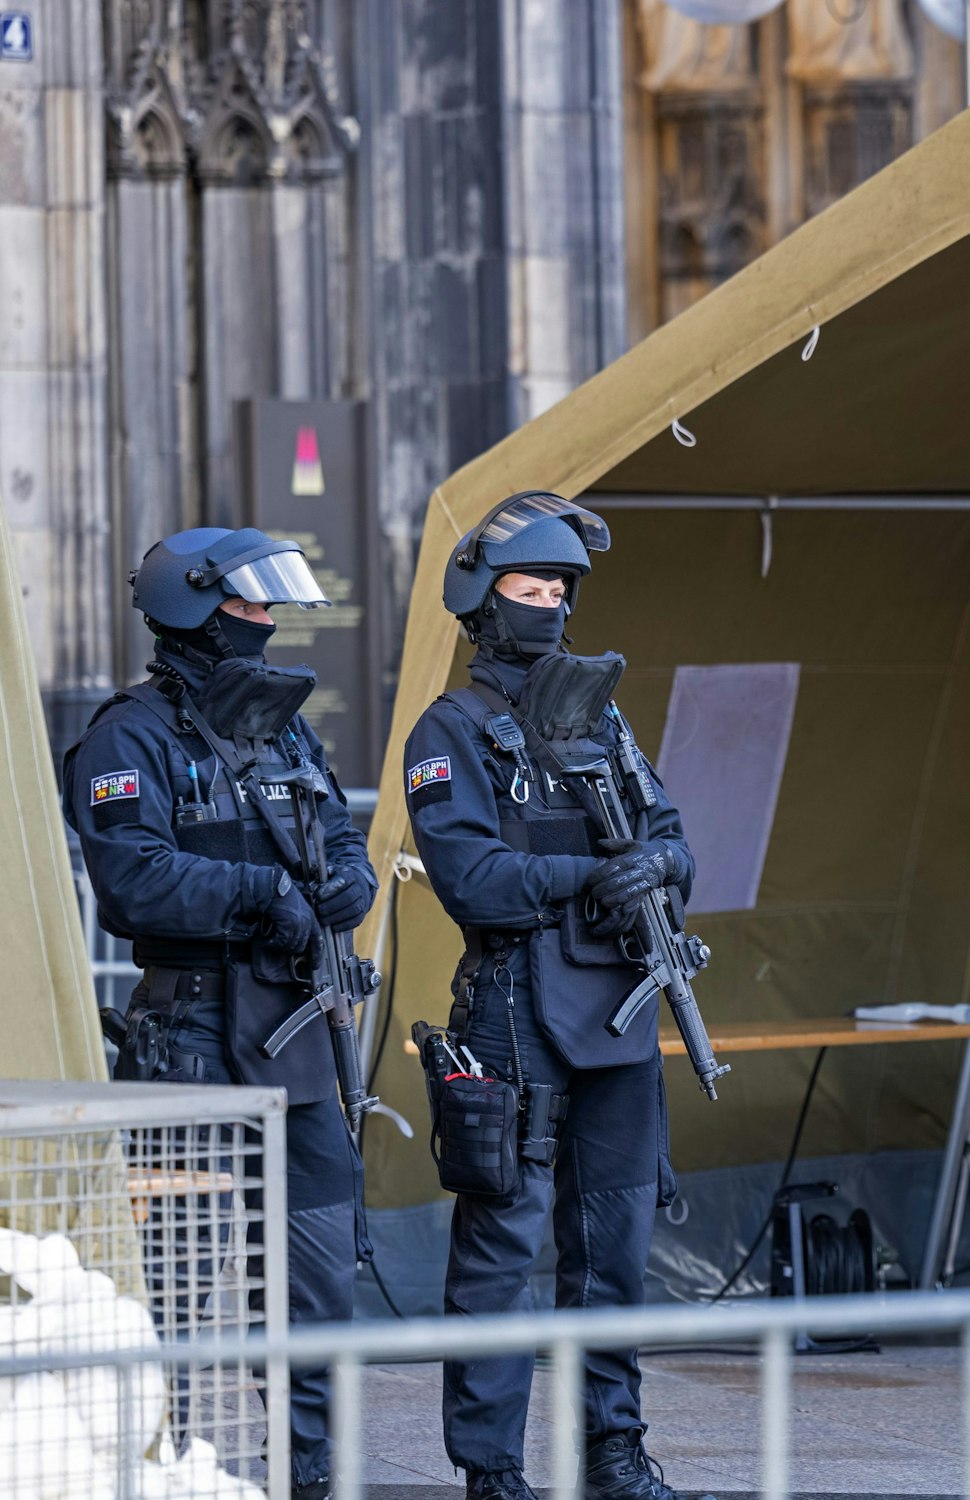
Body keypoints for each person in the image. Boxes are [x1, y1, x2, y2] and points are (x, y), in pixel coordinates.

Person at [62, 527, 378, 1499]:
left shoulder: (279, 727)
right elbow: (132, 882)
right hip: (188, 1043)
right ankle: (166, 1472)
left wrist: (343, 892)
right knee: (172, 1291)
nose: (266, 622)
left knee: (319, 1281)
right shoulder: (128, 734)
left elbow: (342, 845)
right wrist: (261, 896)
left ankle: (311, 1476)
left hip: (291, 1038)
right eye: (248, 606)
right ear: (195, 607)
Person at [404, 492, 704, 1500]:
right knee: (501, 1252)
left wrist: (655, 871)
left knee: (612, 1249)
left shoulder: (601, 721)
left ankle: (612, 1453)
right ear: (482, 599)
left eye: (559, 588)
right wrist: (591, 878)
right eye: (528, 586)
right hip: (514, 1009)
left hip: (617, 1007)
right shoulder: (448, 730)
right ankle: (491, 1473)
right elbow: (472, 880)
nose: (548, 604)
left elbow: (673, 839)